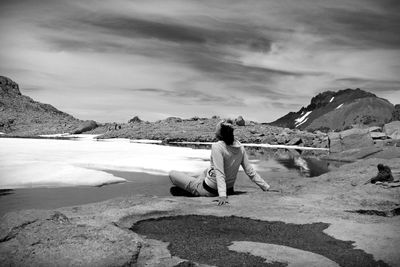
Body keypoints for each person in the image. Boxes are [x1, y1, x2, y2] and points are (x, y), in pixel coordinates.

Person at [169, 120, 270, 205]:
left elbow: (219, 172)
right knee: (205, 171)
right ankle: (195, 185)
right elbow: (250, 171)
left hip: (210, 190)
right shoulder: (240, 147)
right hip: (229, 189)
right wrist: (265, 187)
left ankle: (195, 190)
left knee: (172, 174)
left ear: (220, 133)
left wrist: (222, 196)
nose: (215, 133)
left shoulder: (217, 146)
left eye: (216, 131)